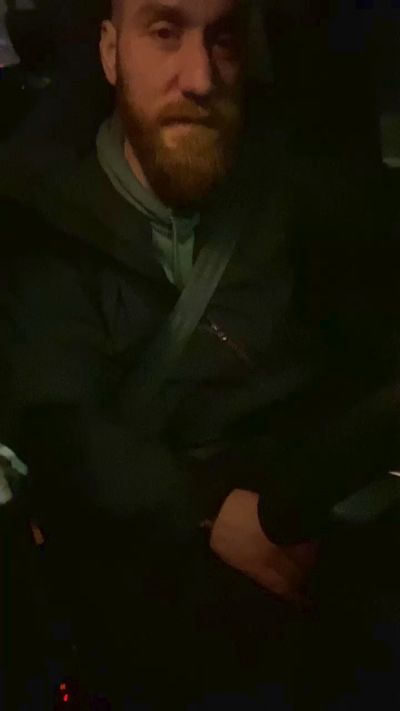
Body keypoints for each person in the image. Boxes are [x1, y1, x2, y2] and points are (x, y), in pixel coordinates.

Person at [0, 0, 397, 707]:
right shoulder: (45, 226)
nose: (201, 77)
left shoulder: (308, 194)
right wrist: (210, 508)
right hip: (149, 635)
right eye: (164, 32)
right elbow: (63, 426)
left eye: (224, 39)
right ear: (110, 52)